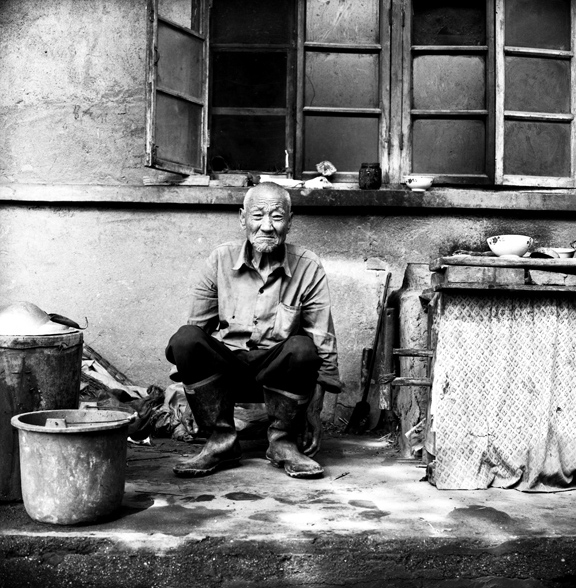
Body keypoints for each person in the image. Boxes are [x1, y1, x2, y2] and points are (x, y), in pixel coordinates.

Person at [165, 182, 342, 479]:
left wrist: (315, 410)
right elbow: (195, 333)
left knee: (302, 348)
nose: (267, 226)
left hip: (278, 374)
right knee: (185, 339)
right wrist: (187, 398)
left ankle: (283, 444)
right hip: (227, 371)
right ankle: (220, 443)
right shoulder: (220, 259)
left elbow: (322, 340)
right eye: (258, 215)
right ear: (242, 218)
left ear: (289, 221)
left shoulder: (308, 266)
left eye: (277, 216)